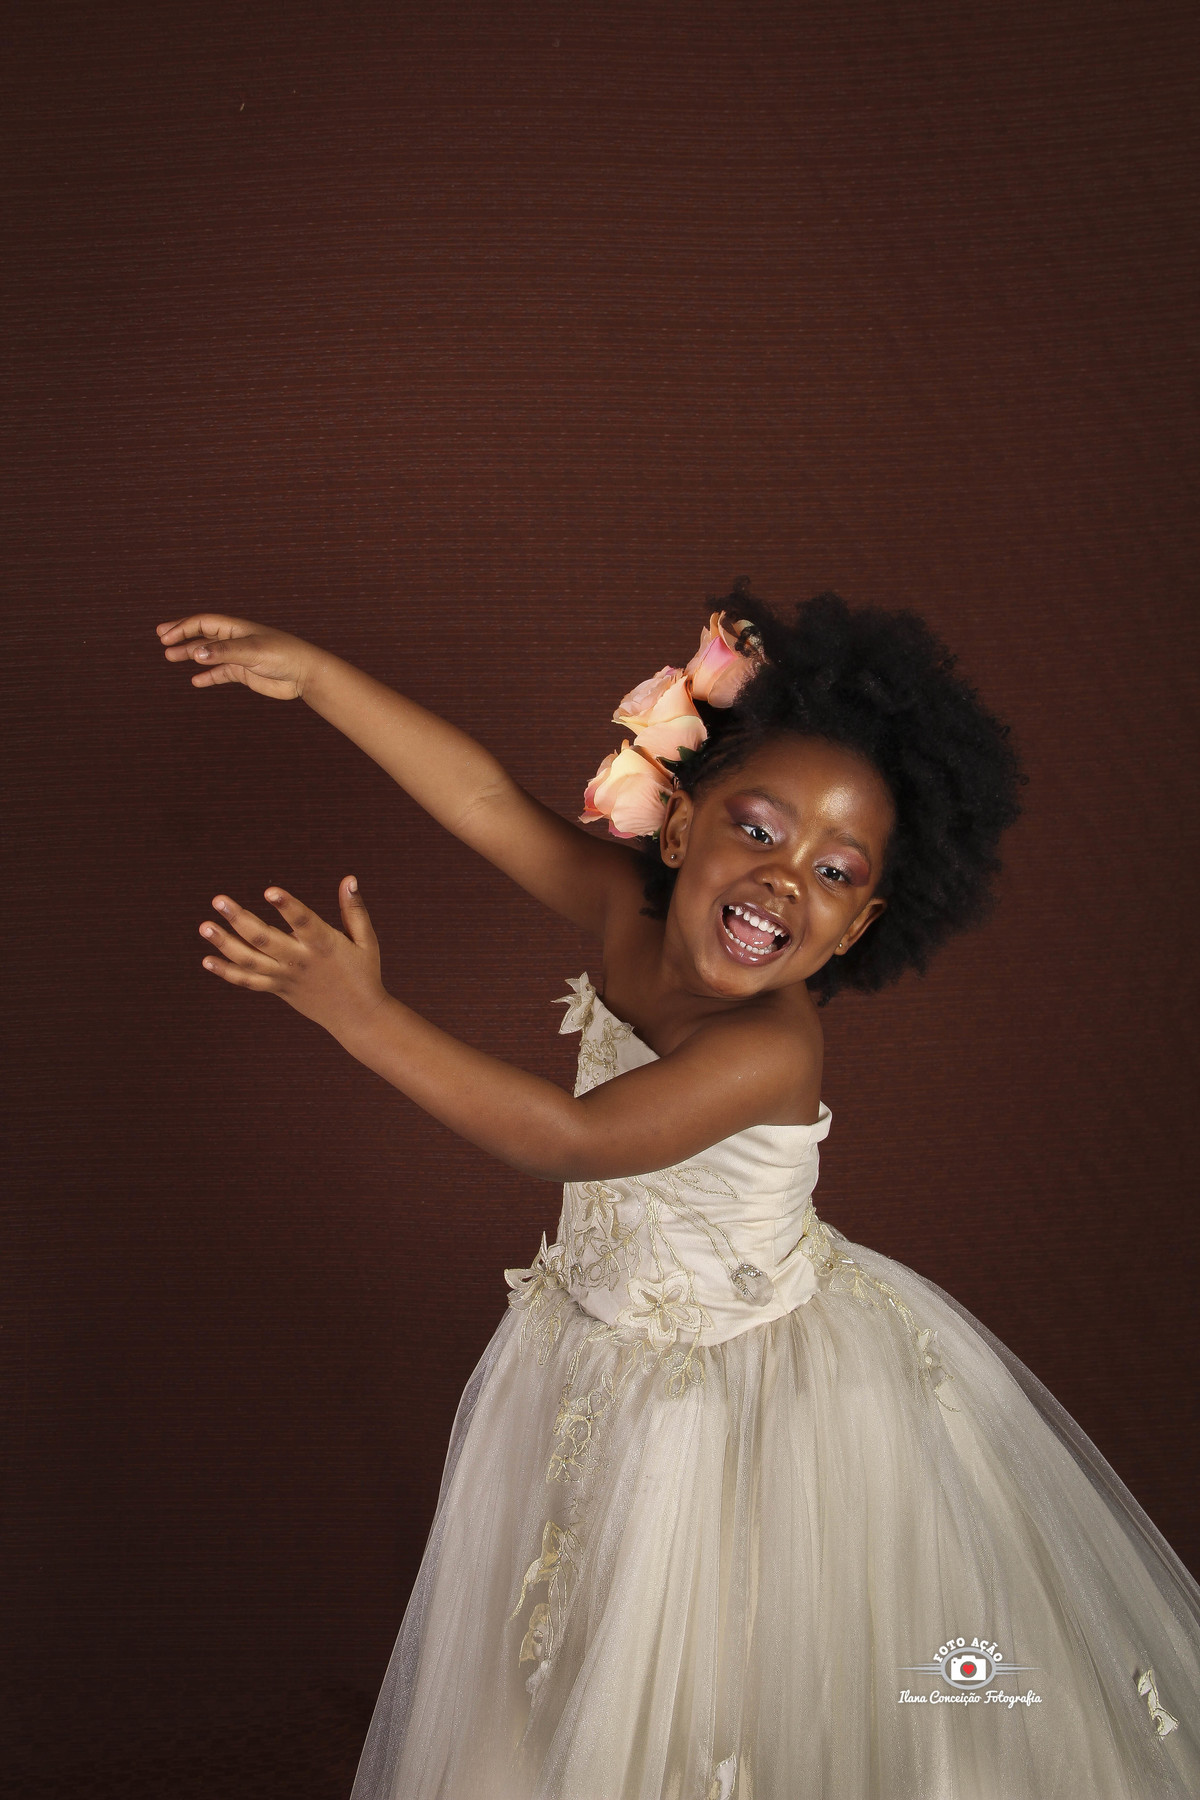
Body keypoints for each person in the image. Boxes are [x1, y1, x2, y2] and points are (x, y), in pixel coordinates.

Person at [156, 584, 1200, 1798]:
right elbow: (485, 801)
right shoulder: (624, 911)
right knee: (563, 1658)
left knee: (741, 1669)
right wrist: (318, 677)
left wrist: (362, 1018)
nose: (783, 881)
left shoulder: (771, 1047)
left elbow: (571, 1138)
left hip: (749, 1392)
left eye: (833, 871)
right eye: (757, 832)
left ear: (859, 926)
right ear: (677, 830)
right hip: (592, 1351)